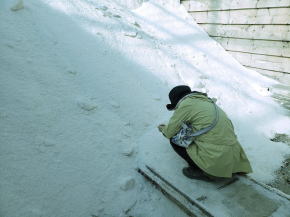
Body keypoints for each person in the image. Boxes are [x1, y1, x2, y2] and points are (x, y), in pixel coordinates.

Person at [158, 85, 252, 181]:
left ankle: (203, 171)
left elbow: (169, 132)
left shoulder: (185, 105)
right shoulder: (206, 101)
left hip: (216, 157)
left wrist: (163, 128)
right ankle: (232, 166)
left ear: (176, 101)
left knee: (174, 139)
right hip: (233, 154)